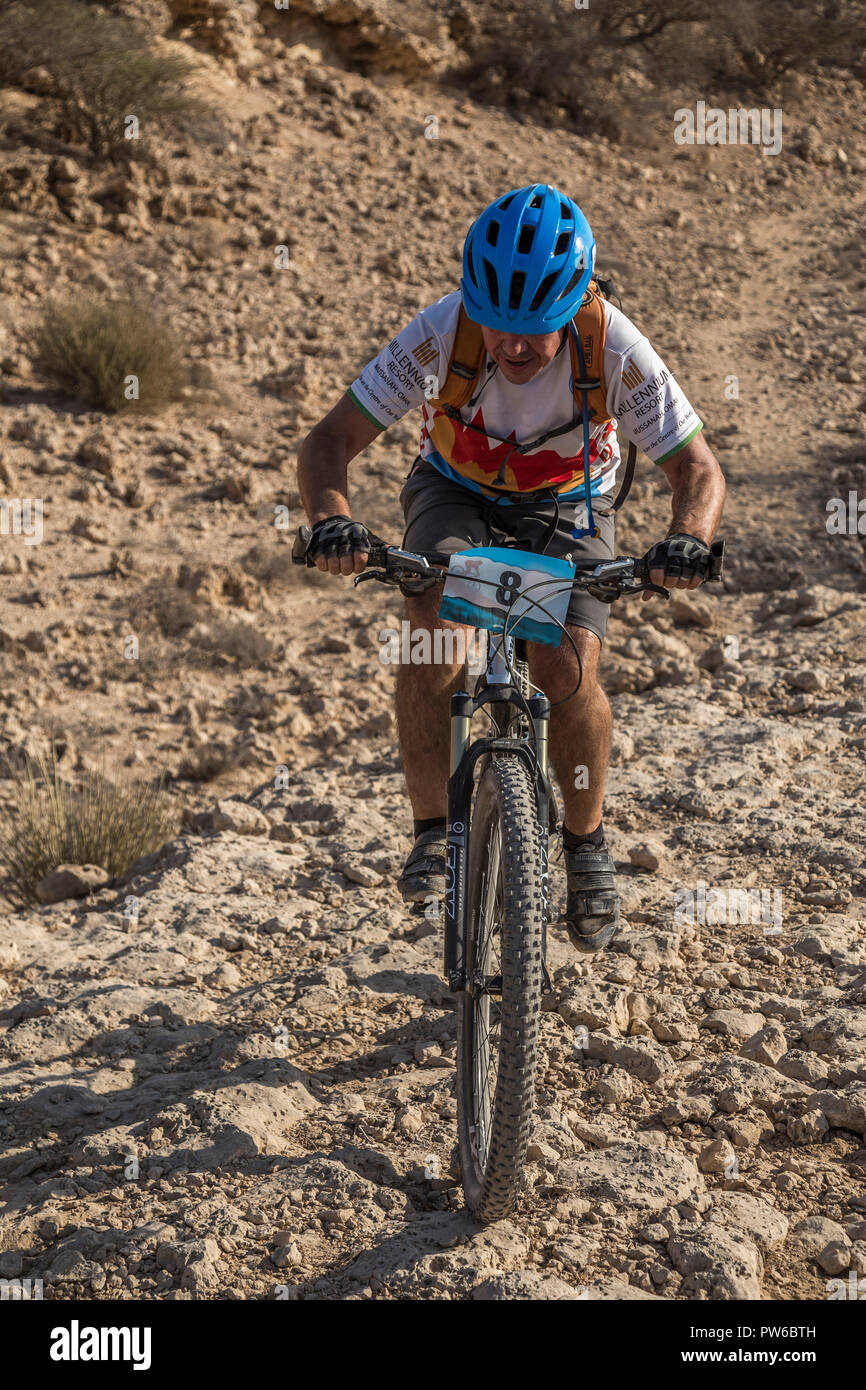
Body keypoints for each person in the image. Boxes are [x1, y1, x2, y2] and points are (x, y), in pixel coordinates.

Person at [297, 183, 725, 954]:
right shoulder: (443, 333)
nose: (512, 347)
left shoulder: (614, 345)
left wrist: (688, 537)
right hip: (455, 491)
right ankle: (432, 829)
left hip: (570, 505)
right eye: (498, 327)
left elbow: (698, 469)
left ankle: (585, 845)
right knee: (433, 626)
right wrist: (331, 519)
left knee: (564, 665)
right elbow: (328, 442)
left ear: (574, 304)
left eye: (535, 331)